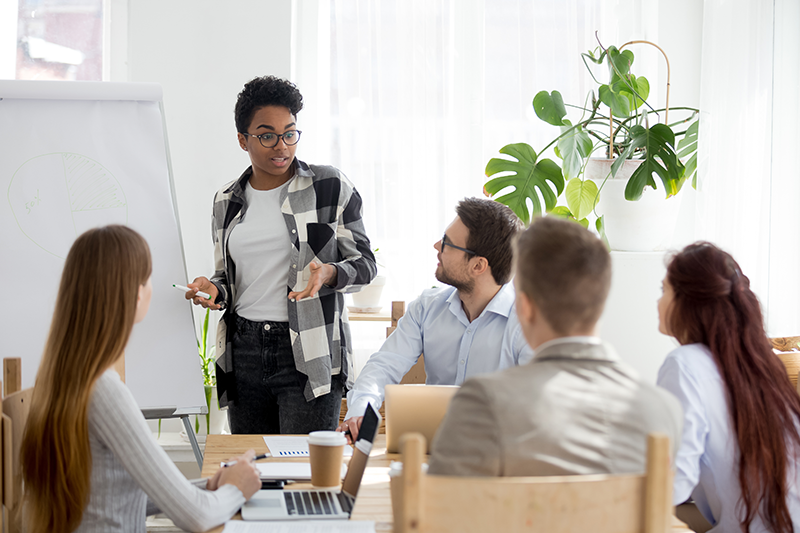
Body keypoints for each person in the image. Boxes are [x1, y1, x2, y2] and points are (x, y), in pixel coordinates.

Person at [20, 225, 261, 533]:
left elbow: (119, 495)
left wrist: (213, 484)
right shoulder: (104, 391)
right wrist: (236, 488)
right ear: (136, 293)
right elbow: (196, 518)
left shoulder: (61, 377)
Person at [187, 76, 376, 434]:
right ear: (243, 140)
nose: (281, 146)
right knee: (253, 473)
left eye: (289, 133)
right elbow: (228, 280)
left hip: (308, 352)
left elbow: (365, 264)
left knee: (305, 474)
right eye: (267, 135)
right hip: (243, 353)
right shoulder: (225, 201)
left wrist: (330, 273)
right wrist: (213, 290)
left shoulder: (329, 186)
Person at [428, 216, 683, 476]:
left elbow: (440, 507)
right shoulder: (664, 410)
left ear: (525, 307)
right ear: (601, 304)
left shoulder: (483, 401)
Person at [338, 197, 532, 442]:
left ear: (478, 266)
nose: (436, 245)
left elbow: (537, 408)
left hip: (500, 461)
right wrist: (360, 411)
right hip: (430, 454)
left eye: (448, 243)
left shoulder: (528, 324)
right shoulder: (427, 307)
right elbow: (384, 366)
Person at [656, 242, 800, 533]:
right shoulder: (761, 366)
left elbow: (671, 483)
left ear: (688, 301)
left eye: (664, 291)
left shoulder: (684, 365)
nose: (658, 303)